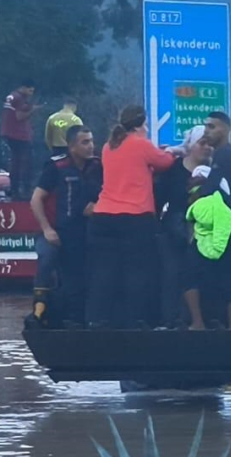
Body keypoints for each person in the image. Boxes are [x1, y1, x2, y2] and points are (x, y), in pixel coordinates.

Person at [85, 105, 176, 329]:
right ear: (139, 125)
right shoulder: (141, 144)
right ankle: (135, 321)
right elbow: (165, 162)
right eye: (144, 125)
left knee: (104, 272)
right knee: (137, 272)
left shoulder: (108, 147)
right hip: (135, 217)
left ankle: (97, 320)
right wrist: (173, 151)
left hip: (103, 216)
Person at [27, 125, 102, 328]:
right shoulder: (56, 167)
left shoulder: (97, 166)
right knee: (47, 257)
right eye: (84, 142)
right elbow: (36, 199)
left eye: (92, 141)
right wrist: (46, 229)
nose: (90, 146)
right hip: (55, 232)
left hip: (83, 232)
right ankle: (39, 310)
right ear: (71, 146)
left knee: (79, 276)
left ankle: (77, 320)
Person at [153, 124, 213, 328]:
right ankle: (169, 319)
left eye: (209, 144)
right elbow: (159, 198)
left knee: (199, 276)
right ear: (191, 146)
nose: (207, 148)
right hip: (174, 230)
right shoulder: (173, 170)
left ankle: (197, 318)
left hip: (203, 233)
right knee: (171, 273)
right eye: (202, 143)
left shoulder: (212, 173)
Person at [202, 111, 231, 328]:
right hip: (227, 222)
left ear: (226, 129)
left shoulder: (224, 155)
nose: (206, 131)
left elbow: (212, 188)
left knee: (226, 273)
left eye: (212, 127)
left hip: (226, 224)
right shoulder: (227, 153)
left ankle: (230, 324)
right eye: (205, 126)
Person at [182, 166, 231, 330]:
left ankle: (197, 322)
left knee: (190, 279)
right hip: (224, 242)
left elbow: (190, 218)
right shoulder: (222, 189)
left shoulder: (194, 194)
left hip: (200, 241)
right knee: (230, 282)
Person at [1, 79, 43, 200]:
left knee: (15, 161)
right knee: (25, 162)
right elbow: (19, 116)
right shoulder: (19, 98)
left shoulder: (11, 96)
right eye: (30, 90)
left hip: (8, 133)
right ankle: (24, 190)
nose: (31, 93)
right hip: (18, 135)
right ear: (24, 87)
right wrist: (33, 110)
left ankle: (14, 188)